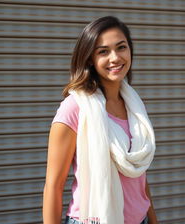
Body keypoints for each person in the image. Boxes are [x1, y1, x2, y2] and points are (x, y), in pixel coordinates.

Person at [43, 16, 158, 224]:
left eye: (121, 47)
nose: (115, 58)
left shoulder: (135, 106)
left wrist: (153, 219)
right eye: (103, 51)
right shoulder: (75, 108)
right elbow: (53, 185)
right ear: (90, 59)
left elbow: (138, 174)